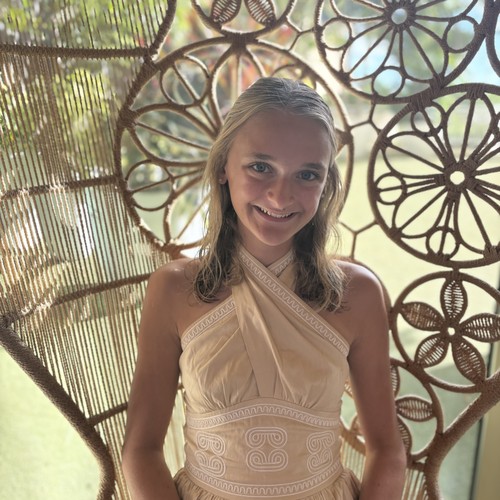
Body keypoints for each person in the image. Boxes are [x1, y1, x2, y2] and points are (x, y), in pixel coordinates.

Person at [121, 77, 406, 499]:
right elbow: (140, 451)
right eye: (260, 167)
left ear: (325, 184)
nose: (280, 195)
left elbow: (387, 450)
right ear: (223, 167)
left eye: (307, 174)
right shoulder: (174, 291)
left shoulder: (357, 294)